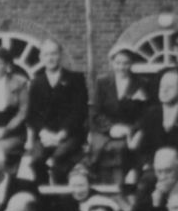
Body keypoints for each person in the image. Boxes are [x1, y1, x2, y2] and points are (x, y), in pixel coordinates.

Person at [27, 41, 89, 184]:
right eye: (46, 54)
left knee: (60, 157)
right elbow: (33, 115)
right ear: (41, 57)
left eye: (54, 54)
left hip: (70, 134)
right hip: (45, 136)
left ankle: (62, 195)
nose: (50, 58)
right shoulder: (36, 82)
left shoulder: (75, 79)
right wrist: (43, 133)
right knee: (36, 160)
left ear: (60, 55)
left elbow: (79, 111)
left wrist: (62, 134)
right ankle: (43, 197)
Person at [89, 47, 151, 181]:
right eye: (118, 63)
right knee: (101, 156)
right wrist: (111, 128)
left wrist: (131, 129)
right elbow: (96, 112)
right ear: (112, 63)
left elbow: (145, 113)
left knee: (132, 159)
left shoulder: (142, 83)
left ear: (131, 64)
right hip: (106, 132)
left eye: (126, 63)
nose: (121, 67)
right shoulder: (102, 82)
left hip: (131, 133)